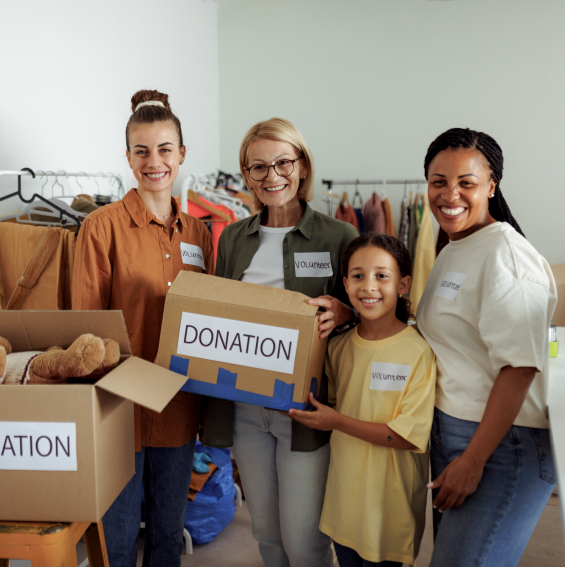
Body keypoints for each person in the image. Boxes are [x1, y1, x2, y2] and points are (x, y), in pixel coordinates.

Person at [201, 117, 359, 567]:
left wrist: (345, 311)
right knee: (267, 534)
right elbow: (218, 315)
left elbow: (375, 310)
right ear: (246, 175)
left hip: (306, 411)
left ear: (303, 166)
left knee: (304, 540)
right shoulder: (232, 237)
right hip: (247, 412)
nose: (272, 176)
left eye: (283, 162)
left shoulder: (339, 236)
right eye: (258, 167)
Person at [72, 89, 214, 567]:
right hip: (119, 412)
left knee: (168, 539)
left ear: (182, 154)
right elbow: (87, 334)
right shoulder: (100, 227)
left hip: (178, 406)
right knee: (114, 545)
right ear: (129, 158)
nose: (155, 161)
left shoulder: (199, 233)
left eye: (165, 149)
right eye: (142, 151)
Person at [416, 128, 558, 567]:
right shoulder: (454, 247)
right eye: (438, 181)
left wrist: (473, 459)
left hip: (501, 445)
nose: (449, 194)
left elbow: (519, 368)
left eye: (466, 182)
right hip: (453, 432)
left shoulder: (507, 256)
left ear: (492, 186)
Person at [290, 233, 437, 567]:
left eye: (382, 275)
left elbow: (405, 434)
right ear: (345, 283)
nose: (369, 286)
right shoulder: (338, 348)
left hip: (388, 511)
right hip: (344, 503)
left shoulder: (418, 352)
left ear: (403, 284)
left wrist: (336, 421)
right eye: (358, 276)